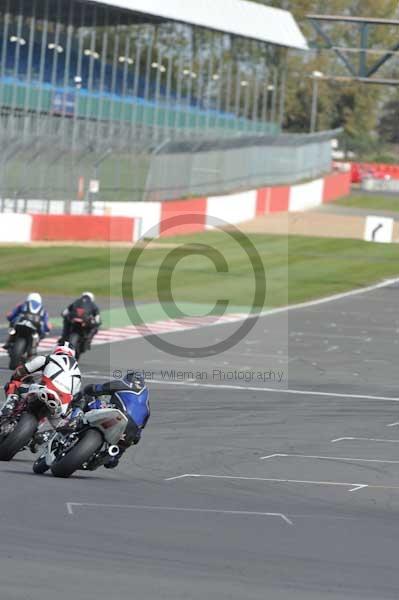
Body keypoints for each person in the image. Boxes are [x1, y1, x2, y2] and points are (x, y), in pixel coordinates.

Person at [3, 342, 82, 444]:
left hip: (44, 390)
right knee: (62, 429)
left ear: (56, 350)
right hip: (61, 404)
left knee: (13, 385)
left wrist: (16, 376)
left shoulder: (49, 358)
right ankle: (44, 437)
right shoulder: (78, 373)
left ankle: (7, 411)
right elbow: (74, 397)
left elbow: (24, 370)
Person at [70, 370, 150, 469]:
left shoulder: (123, 384)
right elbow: (138, 436)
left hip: (117, 414)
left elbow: (97, 389)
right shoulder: (146, 404)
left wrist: (87, 389)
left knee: (86, 398)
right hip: (131, 431)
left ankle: (73, 421)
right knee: (117, 453)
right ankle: (113, 456)